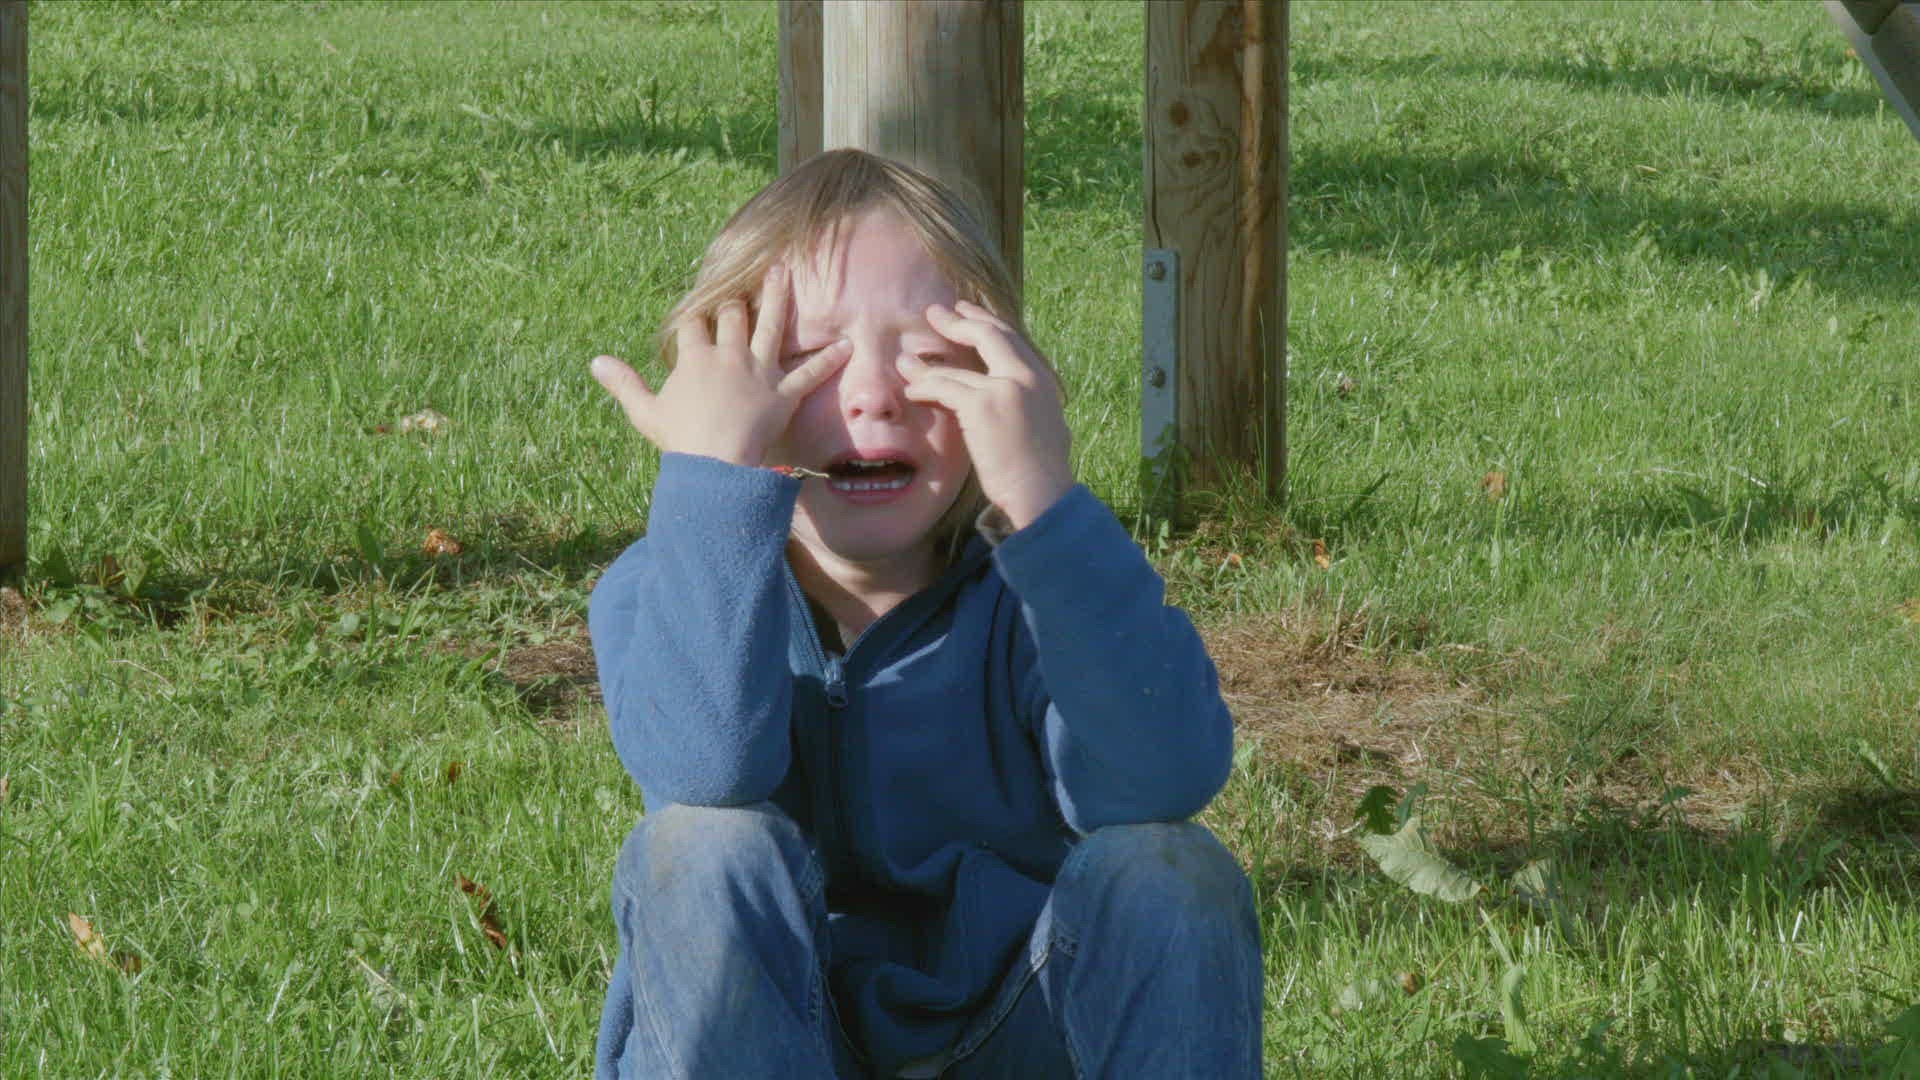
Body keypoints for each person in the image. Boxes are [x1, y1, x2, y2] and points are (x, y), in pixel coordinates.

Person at [587, 148, 1261, 1080]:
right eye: (807, 359)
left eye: (932, 356)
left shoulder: (1049, 589)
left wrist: (1041, 503)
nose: (874, 394)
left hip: (1020, 1035)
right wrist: (712, 486)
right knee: (702, 847)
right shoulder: (662, 583)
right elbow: (707, 768)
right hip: (773, 1044)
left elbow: (1163, 781)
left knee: (1169, 872)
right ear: (720, 392)